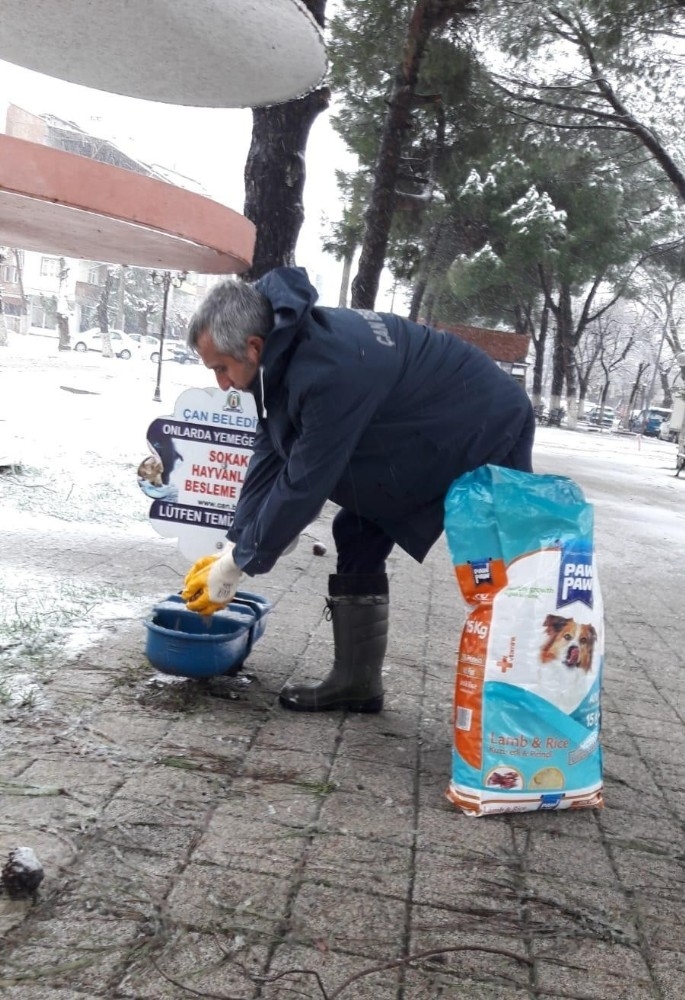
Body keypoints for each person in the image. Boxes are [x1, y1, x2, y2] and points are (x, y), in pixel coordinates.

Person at [181, 266, 535, 713]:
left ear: (252, 347)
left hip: (483, 420)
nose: (222, 383)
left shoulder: (327, 370)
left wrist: (239, 562)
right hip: (427, 420)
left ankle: (531, 690)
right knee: (359, 528)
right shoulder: (281, 349)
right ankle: (357, 682)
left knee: (511, 561)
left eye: (221, 368)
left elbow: (306, 481)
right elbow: (272, 445)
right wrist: (238, 540)